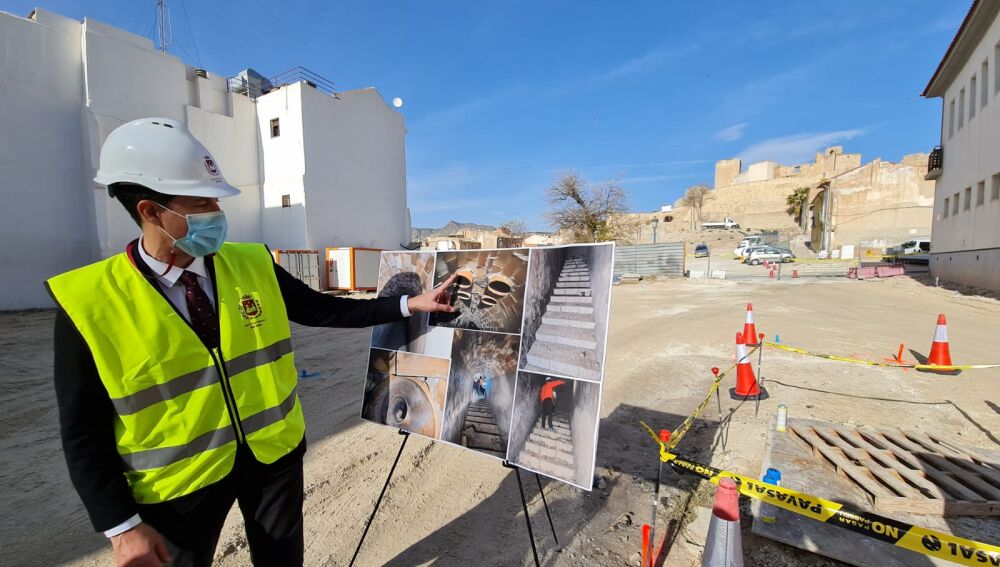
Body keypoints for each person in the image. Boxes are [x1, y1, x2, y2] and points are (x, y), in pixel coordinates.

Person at [47, 117, 457, 567]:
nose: (217, 214)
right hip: (181, 486)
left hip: (273, 457)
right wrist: (121, 527)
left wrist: (407, 305)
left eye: (216, 200)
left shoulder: (252, 262)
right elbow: (82, 430)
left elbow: (323, 310)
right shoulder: (88, 301)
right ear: (149, 211)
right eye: (200, 202)